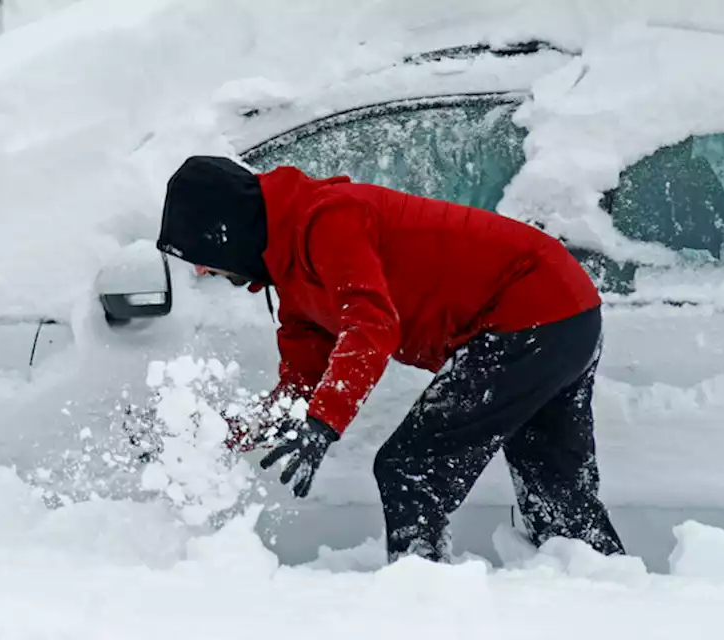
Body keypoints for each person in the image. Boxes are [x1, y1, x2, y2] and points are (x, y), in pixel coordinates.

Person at [155, 155, 625, 562]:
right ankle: (611, 598)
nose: (202, 270)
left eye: (200, 255)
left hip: (530, 310)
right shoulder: (295, 283)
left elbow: (372, 324)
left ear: (225, 233)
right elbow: (299, 392)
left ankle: (419, 606)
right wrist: (215, 436)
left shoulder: (328, 221)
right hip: (560, 312)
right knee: (558, 499)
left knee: (408, 469)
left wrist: (325, 423)